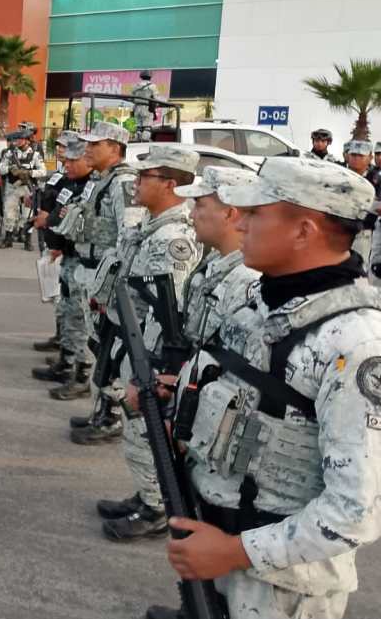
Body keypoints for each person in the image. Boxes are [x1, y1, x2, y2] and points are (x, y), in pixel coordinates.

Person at [146, 157, 381, 619]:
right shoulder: (261, 299)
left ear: (303, 231)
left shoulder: (360, 343)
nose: (239, 223)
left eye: (255, 213)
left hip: (278, 587)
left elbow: (356, 510)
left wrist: (235, 552)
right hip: (214, 539)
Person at [101, 165, 259, 543]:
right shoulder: (216, 265)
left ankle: (156, 508)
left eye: (201, 203)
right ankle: (151, 500)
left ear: (231, 213)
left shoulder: (247, 281)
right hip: (183, 382)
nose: (191, 211)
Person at [79, 144, 202, 455]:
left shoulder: (174, 238)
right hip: (126, 336)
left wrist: (150, 365)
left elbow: (168, 311)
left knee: (144, 437)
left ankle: (152, 502)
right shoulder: (149, 226)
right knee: (134, 432)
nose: (136, 182)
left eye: (146, 176)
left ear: (171, 184)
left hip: (146, 350)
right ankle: (145, 496)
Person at [58, 121, 145, 442]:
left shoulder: (123, 184)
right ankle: (102, 410)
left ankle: (111, 417)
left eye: (97, 144)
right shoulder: (102, 180)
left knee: (108, 350)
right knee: (98, 347)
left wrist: (113, 287)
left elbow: (130, 237)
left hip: (107, 280)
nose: (88, 149)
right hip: (89, 269)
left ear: (116, 148)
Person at [32, 133, 95, 397]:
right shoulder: (72, 182)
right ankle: (66, 362)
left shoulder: (91, 186)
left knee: (81, 321)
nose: (66, 163)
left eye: (72, 159)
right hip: (67, 256)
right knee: (69, 313)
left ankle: (80, 376)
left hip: (83, 262)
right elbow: (59, 211)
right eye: (65, 158)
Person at [344, 140, 381, 265]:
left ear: (369, 157)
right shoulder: (338, 174)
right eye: (353, 155)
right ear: (347, 155)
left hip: (363, 233)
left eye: (361, 156)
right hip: (336, 229)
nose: (356, 159)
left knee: (358, 269)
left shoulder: (378, 179)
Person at [0, 129, 46, 250]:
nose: (17, 141)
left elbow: (43, 171)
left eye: (20, 139)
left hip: (27, 189)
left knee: (27, 215)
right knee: (9, 213)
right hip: (13, 188)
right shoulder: (10, 154)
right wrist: (10, 168)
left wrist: (29, 172)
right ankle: (8, 239)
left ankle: (27, 240)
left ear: (27, 141)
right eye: (16, 139)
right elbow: (0, 169)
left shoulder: (35, 155)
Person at [131, 70, 159, 142]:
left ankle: (137, 140)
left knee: (138, 127)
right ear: (150, 77)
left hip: (137, 108)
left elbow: (132, 98)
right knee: (147, 127)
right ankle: (145, 142)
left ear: (141, 77)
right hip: (147, 108)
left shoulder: (136, 86)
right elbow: (156, 99)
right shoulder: (152, 86)